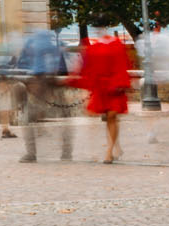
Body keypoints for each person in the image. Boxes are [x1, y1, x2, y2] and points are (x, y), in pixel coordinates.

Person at [13, 21, 72, 163]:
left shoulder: (36, 40)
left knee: (29, 118)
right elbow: (58, 60)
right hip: (52, 79)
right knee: (64, 116)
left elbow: (26, 63)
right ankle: (66, 151)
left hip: (40, 81)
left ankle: (31, 153)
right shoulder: (50, 41)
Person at [74, 25, 134, 163]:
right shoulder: (94, 45)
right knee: (109, 118)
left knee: (112, 116)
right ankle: (115, 145)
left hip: (115, 86)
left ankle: (109, 151)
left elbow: (123, 63)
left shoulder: (115, 44)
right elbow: (88, 66)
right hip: (102, 87)